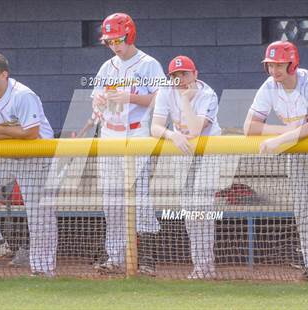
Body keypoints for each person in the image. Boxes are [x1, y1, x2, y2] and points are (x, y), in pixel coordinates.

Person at [243, 41, 308, 281]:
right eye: (270, 65)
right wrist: (284, 132)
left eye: (280, 64)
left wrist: (280, 140)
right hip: (296, 148)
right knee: (303, 209)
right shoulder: (269, 86)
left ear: (292, 63)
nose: (274, 70)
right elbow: (249, 127)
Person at [0, 53, 57, 277]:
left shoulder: (23, 95)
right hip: (5, 155)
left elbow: (32, 133)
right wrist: (10, 134)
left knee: (39, 215)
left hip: (35, 156)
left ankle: (43, 270)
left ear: (4, 75)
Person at [91, 13, 163, 275]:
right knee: (111, 201)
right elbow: (96, 96)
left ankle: (147, 260)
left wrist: (131, 97)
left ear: (130, 35)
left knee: (140, 198)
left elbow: (160, 99)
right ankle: (115, 257)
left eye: (118, 39)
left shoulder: (148, 64)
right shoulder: (107, 67)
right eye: (109, 41)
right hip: (109, 133)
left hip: (136, 133)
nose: (114, 45)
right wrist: (98, 102)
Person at [151, 55, 221, 279]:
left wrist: (184, 101)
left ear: (195, 74)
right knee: (189, 211)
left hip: (207, 152)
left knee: (202, 209)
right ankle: (200, 266)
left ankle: (205, 266)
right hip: (183, 153)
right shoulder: (165, 91)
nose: (180, 79)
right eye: (175, 75)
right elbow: (155, 127)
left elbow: (196, 130)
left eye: (185, 74)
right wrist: (171, 134)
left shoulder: (207, 94)